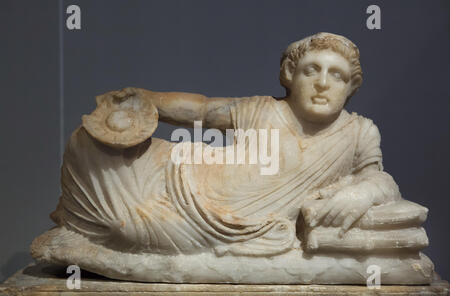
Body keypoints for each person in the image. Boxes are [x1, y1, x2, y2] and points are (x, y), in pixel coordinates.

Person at [52, 32, 401, 257]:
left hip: (228, 224)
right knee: (89, 146)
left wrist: (361, 193)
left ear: (351, 87)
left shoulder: (358, 132)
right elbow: (202, 109)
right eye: (312, 70)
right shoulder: (263, 109)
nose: (323, 83)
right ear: (290, 76)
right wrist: (149, 98)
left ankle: (89, 236)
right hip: (181, 176)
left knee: (124, 228)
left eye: (336, 75)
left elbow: (381, 180)